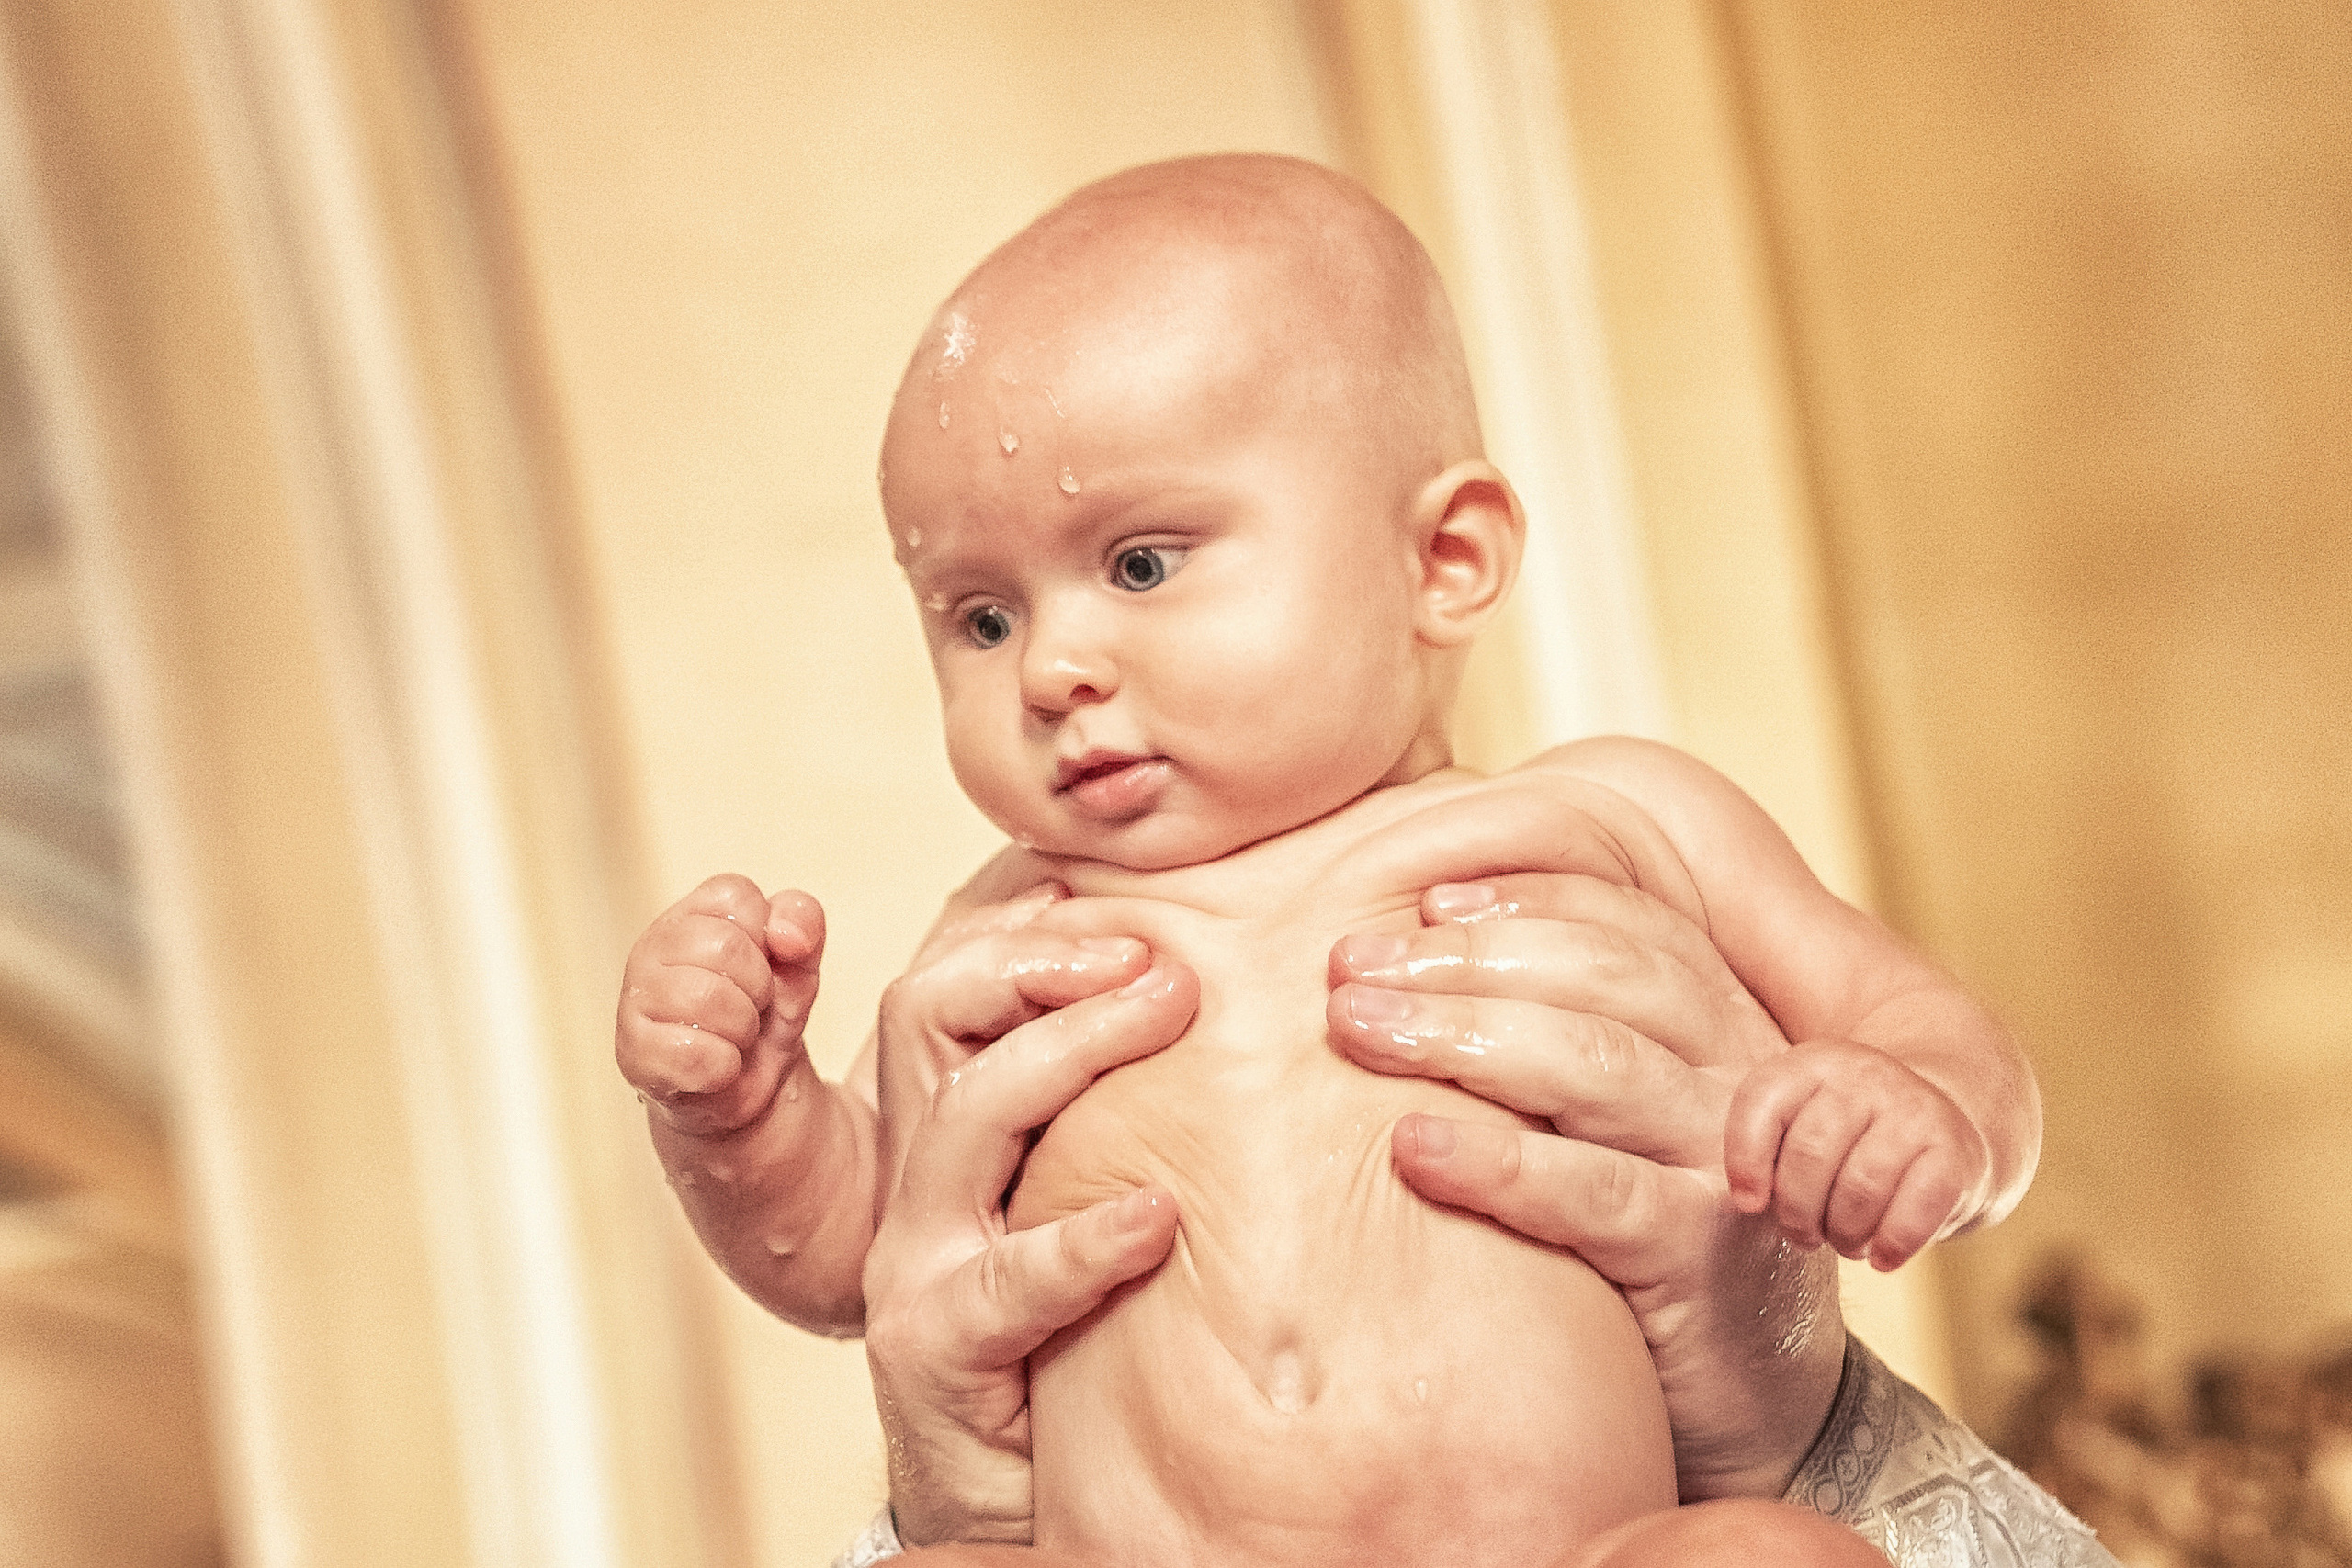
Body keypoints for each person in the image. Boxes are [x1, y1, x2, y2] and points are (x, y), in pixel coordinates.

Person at [616, 155, 2043, 1564]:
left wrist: (1915, 1110)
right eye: (978, 618)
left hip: (1578, 1550)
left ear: (1446, 559)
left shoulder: (1618, 817)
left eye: (1139, 564)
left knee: (1774, 1559)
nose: (1052, 667)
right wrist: (742, 1122)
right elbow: (855, 1248)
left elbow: (1910, 1022)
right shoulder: (1006, 933)